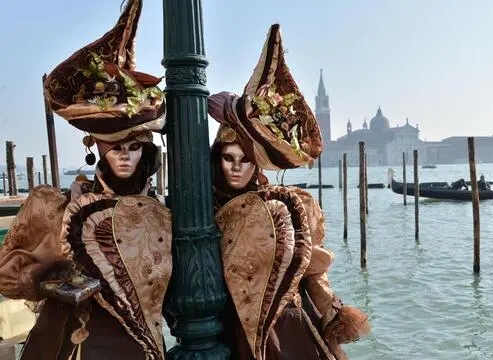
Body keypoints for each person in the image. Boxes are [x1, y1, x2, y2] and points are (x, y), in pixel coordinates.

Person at [0, 1, 172, 359]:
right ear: (93, 143)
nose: (124, 155)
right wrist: (51, 275)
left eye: (134, 145)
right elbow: (7, 275)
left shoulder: (165, 215)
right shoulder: (57, 209)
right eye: (114, 145)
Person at [208, 24, 370, 360]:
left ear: (258, 164)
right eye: (228, 158)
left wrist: (331, 311)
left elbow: (312, 270)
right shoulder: (201, 207)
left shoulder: (289, 207)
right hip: (231, 334)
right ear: (216, 159)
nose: (237, 167)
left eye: (245, 160)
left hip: (291, 330)